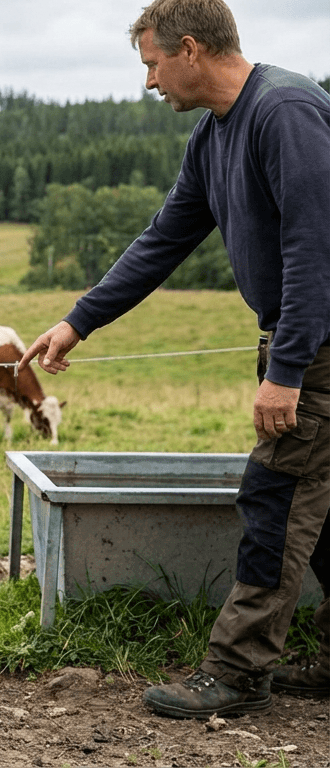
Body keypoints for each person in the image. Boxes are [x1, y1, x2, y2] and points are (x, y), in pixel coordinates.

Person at [21, 0, 330, 719]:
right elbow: (165, 239)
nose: (151, 82)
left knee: (275, 500)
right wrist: (78, 322)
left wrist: (285, 371)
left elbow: (316, 253)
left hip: (316, 348)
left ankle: (237, 670)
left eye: (153, 64)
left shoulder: (285, 112)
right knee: (322, 507)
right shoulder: (215, 135)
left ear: (189, 49)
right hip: (304, 342)